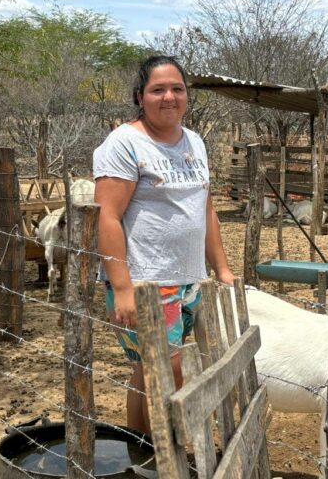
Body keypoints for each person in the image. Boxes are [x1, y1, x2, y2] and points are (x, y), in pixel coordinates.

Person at [93, 55, 234, 435]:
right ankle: (162, 455)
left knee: (148, 371)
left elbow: (204, 210)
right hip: (146, 281)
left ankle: (139, 455)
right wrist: (123, 289)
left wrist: (221, 269)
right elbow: (106, 216)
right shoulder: (125, 143)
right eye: (158, 89)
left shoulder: (195, 142)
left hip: (190, 279)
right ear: (140, 96)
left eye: (177, 89)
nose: (169, 97)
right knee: (167, 373)